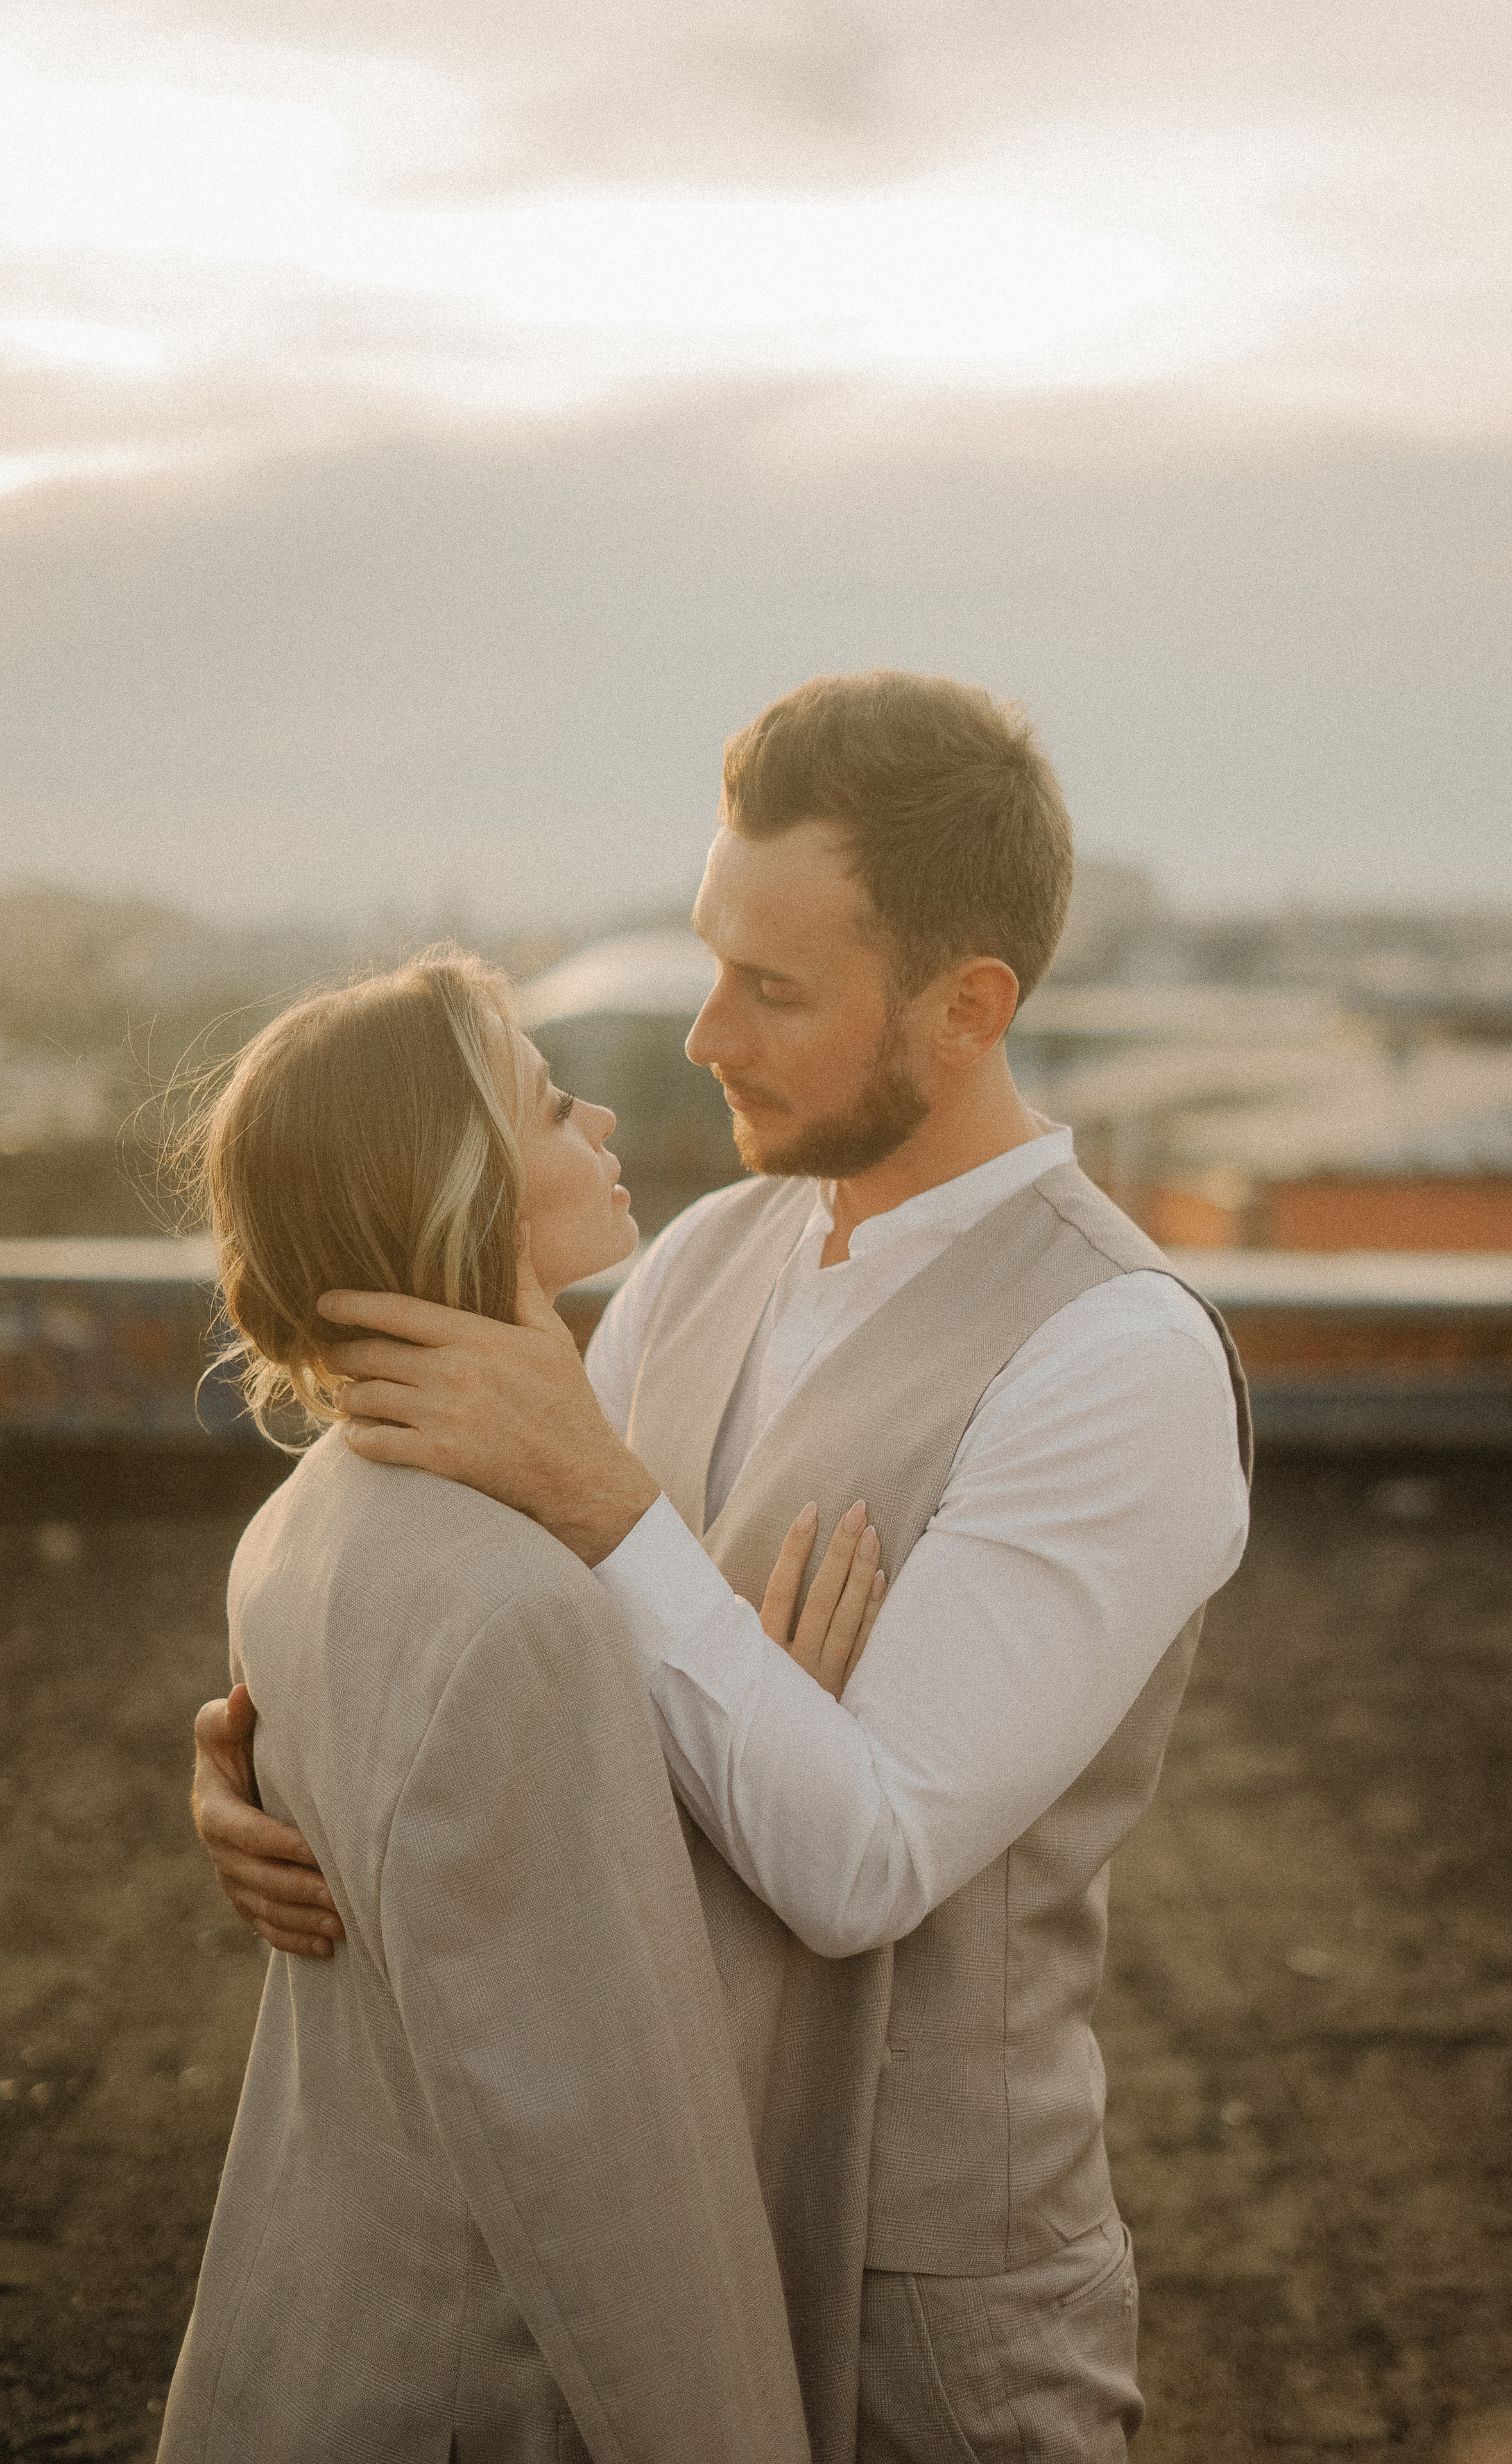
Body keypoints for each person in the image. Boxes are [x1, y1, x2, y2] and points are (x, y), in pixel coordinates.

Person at [195, 670, 1253, 2463]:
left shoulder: (1118, 1359)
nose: (703, 1036)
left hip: (920, 2315)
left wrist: (619, 1514)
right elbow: (521, 1653)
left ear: (969, 1005)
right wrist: (275, 1768)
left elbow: (858, 1857)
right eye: (710, 957)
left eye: (771, 989)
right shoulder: (704, 1257)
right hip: (652, 2244)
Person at [160, 950, 839, 2464]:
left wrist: (745, 1691)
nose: (599, 1113)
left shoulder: (302, 1514)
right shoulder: (516, 1615)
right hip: (472, 2395)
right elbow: (610, 2173)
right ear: (459, 1183)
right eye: (546, 1104)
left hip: (311, 2334)